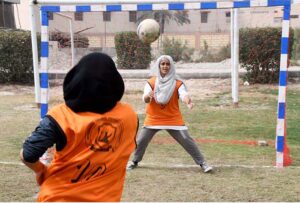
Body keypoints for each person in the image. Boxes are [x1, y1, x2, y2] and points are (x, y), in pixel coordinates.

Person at [20, 53, 139, 202]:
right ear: (115, 82)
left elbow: (27, 154)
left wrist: (41, 171)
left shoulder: (61, 115)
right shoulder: (129, 116)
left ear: (76, 79)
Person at [127, 55, 212, 173]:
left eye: (167, 64)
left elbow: (184, 95)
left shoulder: (178, 83)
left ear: (171, 66)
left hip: (173, 119)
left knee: (186, 139)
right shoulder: (151, 82)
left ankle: (202, 163)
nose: (165, 66)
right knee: (141, 140)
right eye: (163, 64)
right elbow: (145, 99)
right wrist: (148, 96)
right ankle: (135, 161)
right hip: (154, 118)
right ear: (158, 66)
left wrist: (188, 102)